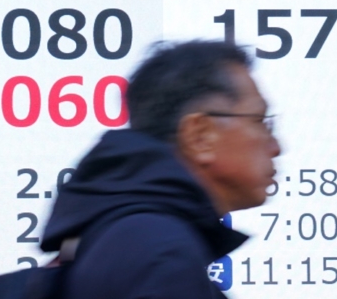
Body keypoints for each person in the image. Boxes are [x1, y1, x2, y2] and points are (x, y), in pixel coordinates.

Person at [40, 40, 281, 299]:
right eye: (259, 121)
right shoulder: (163, 254)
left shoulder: (119, 237)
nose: (276, 147)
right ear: (200, 136)